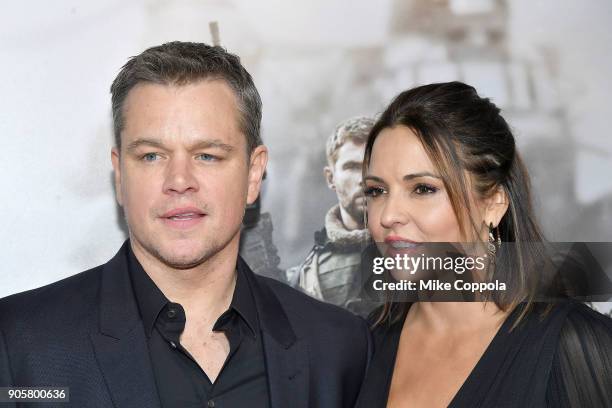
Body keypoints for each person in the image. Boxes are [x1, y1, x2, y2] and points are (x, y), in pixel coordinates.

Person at [0, 42, 370, 408]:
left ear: (254, 174)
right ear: (119, 174)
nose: (179, 179)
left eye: (207, 155)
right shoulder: (19, 345)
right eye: (151, 155)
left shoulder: (339, 349)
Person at [355, 82, 612, 407]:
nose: (388, 215)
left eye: (422, 189)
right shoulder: (364, 346)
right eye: (377, 191)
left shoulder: (572, 345)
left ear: (492, 203)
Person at [288, 117, 374, 315]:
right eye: (352, 167)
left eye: (373, 164)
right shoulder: (303, 278)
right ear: (330, 178)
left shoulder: (429, 261)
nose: (364, 179)